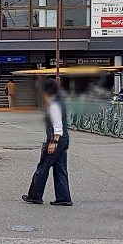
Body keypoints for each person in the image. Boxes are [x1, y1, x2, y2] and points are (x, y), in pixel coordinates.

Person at [23, 79, 72, 207]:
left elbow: (57, 125)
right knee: (60, 168)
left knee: (43, 167)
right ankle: (63, 197)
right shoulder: (59, 101)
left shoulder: (53, 104)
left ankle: (35, 196)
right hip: (64, 139)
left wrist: (53, 141)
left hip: (56, 139)